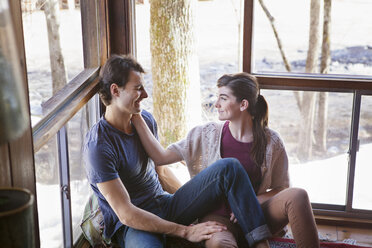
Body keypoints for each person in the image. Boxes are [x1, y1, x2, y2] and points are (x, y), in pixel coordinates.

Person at [83, 54, 272, 248]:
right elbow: (126, 214)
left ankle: (260, 243)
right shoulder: (98, 145)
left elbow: (161, 172)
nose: (146, 94)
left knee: (229, 167)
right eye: (138, 89)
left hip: (164, 204)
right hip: (134, 225)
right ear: (115, 90)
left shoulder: (144, 120)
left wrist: (193, 202)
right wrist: (185, 231)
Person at [132, 72, 320, 248]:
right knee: (220, 244)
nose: (216, 104)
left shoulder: (272, 142)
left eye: (223, 98)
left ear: (243, 104)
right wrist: (136, 115)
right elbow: (161, 157)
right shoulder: (205, 134)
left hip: (258, 216)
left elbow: (281, 188)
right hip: (219, 219)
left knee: (298, 195)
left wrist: (250, 201)